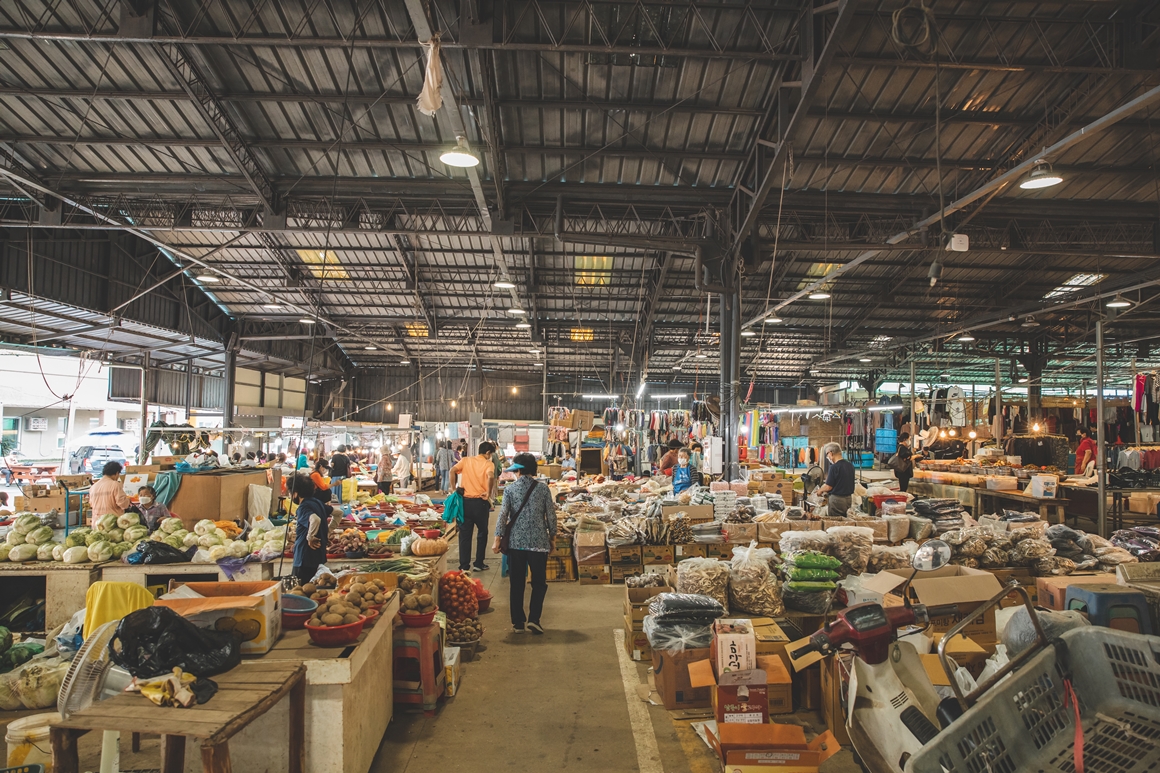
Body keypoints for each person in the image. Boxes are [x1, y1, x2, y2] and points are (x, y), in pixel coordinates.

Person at [492, 453, 557, 634]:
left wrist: (497, 539)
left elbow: (503, 515)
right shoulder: (543, 489)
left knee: (517, 583)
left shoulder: (510, 490)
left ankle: (518, 622)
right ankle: (534, 619)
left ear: (519, 471)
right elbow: (551, 516)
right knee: (539, 583)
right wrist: (552, 537)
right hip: (538, 543)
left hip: (516, 544)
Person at [451, 442, 498, 573]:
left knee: (465, 535)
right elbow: (490, 476)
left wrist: (453, 488)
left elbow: (452, 470)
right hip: (480, 503)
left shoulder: (466, 460)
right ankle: (478, 563)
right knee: (482, 533)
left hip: (465, 503)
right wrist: (488, 492)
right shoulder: (488, 464)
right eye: (491, 454)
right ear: (488, 452)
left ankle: (464, 566)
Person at [290, 472, 328, 584]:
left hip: (303, 557)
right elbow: (338, 513)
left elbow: (315, 519)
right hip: (317, 556)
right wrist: (327, 530)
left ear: (295, 494)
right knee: (312, 589)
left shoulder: (303, 507)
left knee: (301, 590)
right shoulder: (317, 502)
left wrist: (310, 537)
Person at [818, 443, 855, 517]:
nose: (827, 457)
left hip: (837, 500)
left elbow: (829, 487)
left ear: (831, 453)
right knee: (845, 521)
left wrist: (820, 490)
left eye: (827, 454)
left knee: (835, 523)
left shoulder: (834, 467)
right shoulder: (850, 465)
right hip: (848, 499)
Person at [89, 461, 130, 525]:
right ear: (117, 473)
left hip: (97, 523)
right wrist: (128, 500)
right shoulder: (115, 485)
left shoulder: (93, 487)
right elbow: (123, 504)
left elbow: (91, 504)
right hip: (111, 523)